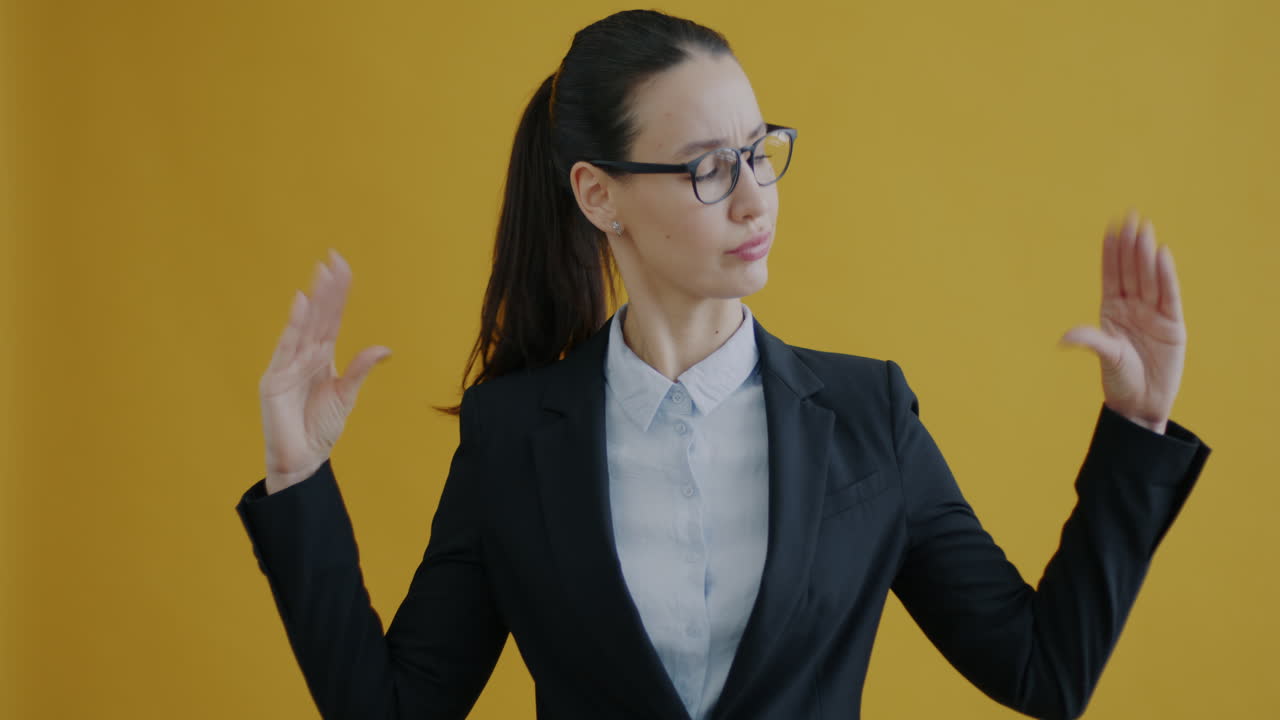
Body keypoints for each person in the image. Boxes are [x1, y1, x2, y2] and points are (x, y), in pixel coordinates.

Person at [235, 9, 1212, 720]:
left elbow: (1044, 671)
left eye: (759, 152)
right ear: (597, 195)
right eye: (707, 167)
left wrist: (1134, 431)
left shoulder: (866, 417)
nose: (754, 201)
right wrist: (298, 476)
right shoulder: (512, 439)